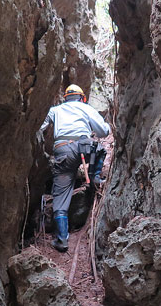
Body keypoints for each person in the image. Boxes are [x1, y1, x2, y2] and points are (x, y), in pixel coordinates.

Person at [39, 84, 110, 252]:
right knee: (99, 150)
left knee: (61, 196)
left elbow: (39, 126)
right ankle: (94, 177)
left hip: (63, 151)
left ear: (66, 97)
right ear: (81, 97)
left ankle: (62, 240)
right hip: (85, 147)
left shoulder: (55, 110)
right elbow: (104, 132)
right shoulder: (86, 108)